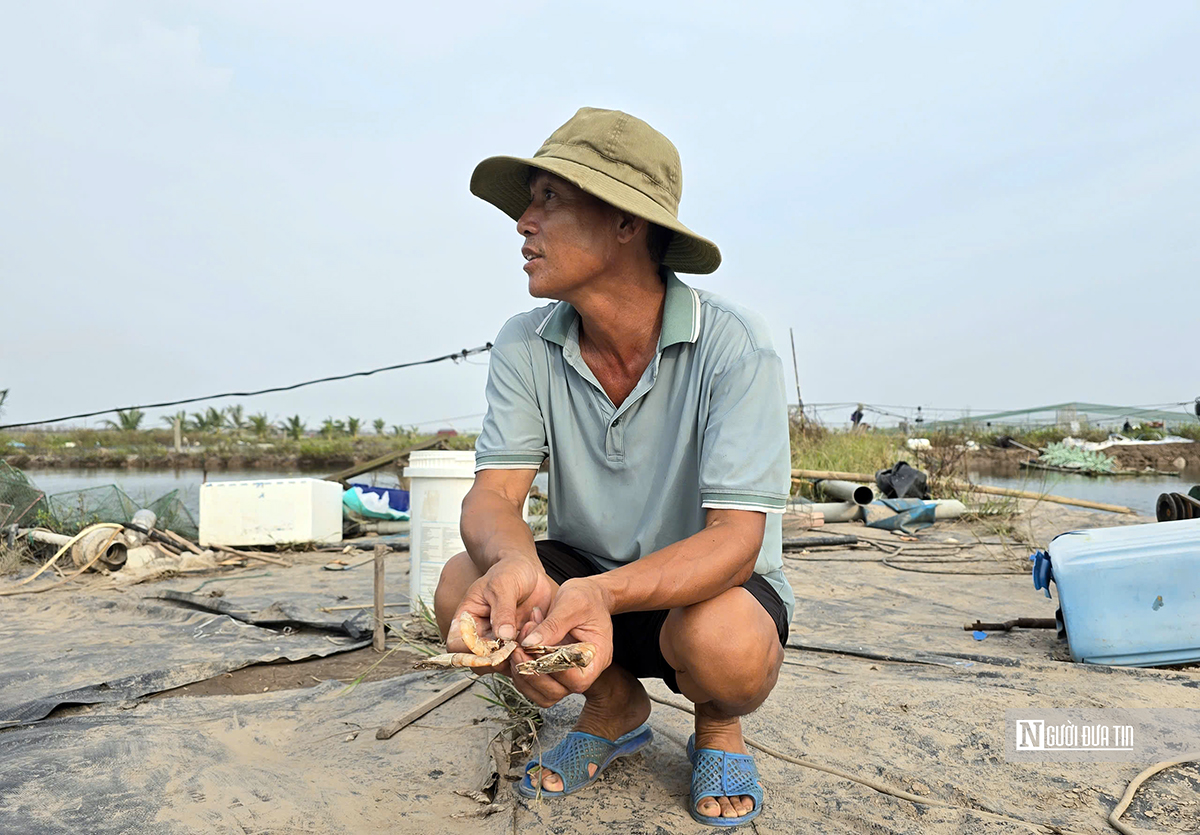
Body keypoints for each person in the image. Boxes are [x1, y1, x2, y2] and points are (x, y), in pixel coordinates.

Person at [433, 108, 792, 826]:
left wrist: (602, 594)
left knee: (724, 645)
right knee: (460, 585)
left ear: (628, 223)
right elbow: (492, 497)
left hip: (703, 589)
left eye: (549, 199)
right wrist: (512, 565)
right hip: (582, 587)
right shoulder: (526, 343)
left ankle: (717, 725)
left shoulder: (734, 345)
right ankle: (614, 704)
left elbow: (735, 538)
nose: (523, 223)